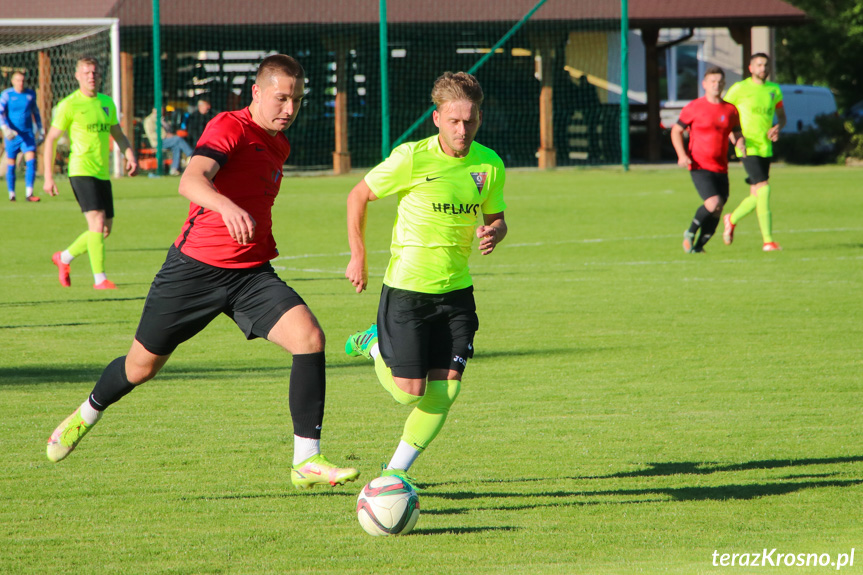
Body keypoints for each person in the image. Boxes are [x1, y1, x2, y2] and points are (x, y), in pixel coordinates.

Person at [45, 54, 360, 491]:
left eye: (298, 99)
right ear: (257, 92)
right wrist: (226, 205)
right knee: (141, 367)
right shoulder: (229, 127)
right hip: (192, 271)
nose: (289, 108)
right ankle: (87, 411)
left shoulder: (279, 142)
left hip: (249, 274)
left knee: (309, 338)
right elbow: (190, 181)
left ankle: (305, 459)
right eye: (281, 97)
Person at [343, 72, 507, 488]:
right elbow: (358, 195)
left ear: (479, 118)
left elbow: (496, 217)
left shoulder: (489, 164)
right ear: (436, 118)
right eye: (453, 120)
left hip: (457, 292)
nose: (462, 129)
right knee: (408, 392)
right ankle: (375, 344)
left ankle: (395, 471)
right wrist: (358, 255)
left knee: (445, 391)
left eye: (469, 121)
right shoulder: (411, 158)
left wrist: (495, 232)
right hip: (408, 291)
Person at [43, 57, 138, 290]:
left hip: (102, 172)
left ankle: (64, 258)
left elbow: (118, 133)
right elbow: (51, 139)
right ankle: (100, 279)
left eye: (94, 72)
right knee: (96, 223)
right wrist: (48, 176)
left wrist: (130, 155)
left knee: (104, 229)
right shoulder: (69, 104)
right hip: (80, 170)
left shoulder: (107, 103)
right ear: (77, 76)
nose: (91, 76)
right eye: (86, 72)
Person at [671, 66, 746, 253]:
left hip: (721, 167)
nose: (716, 85)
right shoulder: (694, 107)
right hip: (699, 164)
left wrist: (740, 144)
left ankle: (699, 247)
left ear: (724, 84)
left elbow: (737, 133)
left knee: (718, 208)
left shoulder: (731, 110)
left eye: (720, 82)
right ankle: (690, 232)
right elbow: (676, 130)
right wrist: (681, 155)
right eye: (712, 81)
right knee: (713, 203)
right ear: (704, 84)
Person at [722, 53, 786, 252]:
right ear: (750, 68)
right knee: (764, 188)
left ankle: (731, 219)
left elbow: (782, 118)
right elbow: (724, 113)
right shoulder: (740, 89)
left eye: (766, 65)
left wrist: (778, 127)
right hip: (746, 145)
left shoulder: (774, 90)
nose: (763, 68)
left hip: (764, 146)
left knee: (756, 194)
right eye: (759, 65)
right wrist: (734, 137)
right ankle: (768, 241)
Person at [0, 70, 43, 202]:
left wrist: (41, 129)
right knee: (11, 163)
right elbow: (1, 112)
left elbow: (35, 112)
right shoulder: (7, 95)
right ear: (13, 81)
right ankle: (11, 194)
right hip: (12, 135)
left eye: (23, 80)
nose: (21, 83)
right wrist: (5, 128)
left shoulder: (30, 95)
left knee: (31, 160)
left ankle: (29, 194)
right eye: (18, 80)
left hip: (27, 134)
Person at [144, 106, 194, 175]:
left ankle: (174, 169)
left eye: (162, 109)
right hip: (157, 142)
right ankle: (191, 154)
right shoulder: (149, 120)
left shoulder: (163, 119)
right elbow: (150, 134)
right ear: (154, 110)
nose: (162, 111)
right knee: (178, 139)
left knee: (177, 146)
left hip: (167, 140)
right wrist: (164, 136)